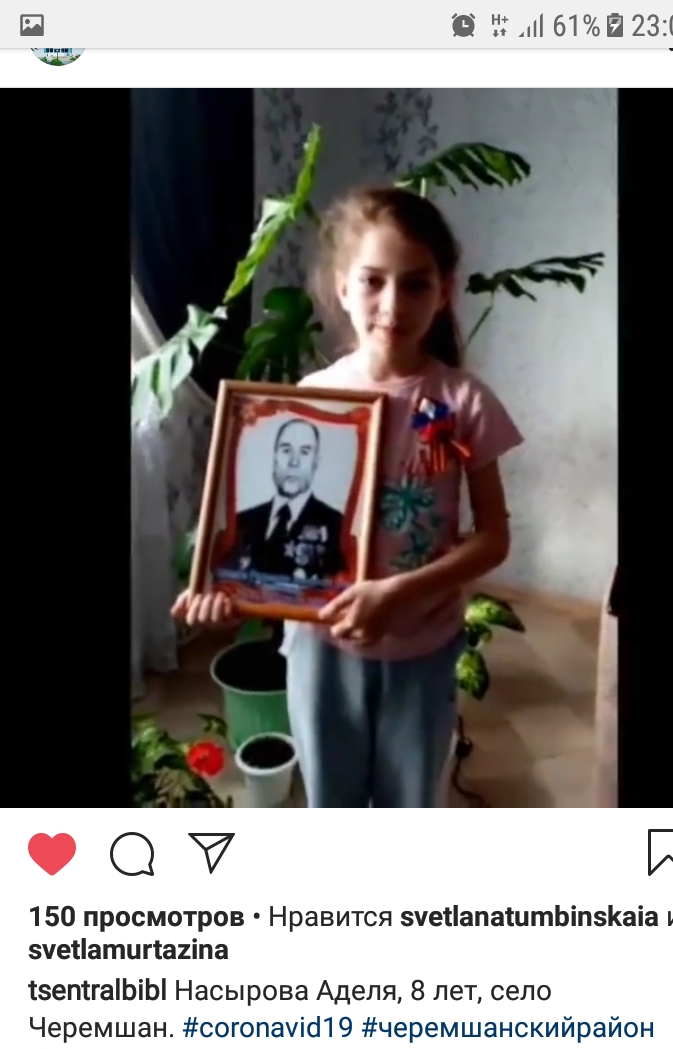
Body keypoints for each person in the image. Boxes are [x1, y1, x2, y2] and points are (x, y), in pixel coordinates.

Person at [173, 185, 523, 806]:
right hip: (320, 649)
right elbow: (271, 546)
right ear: (341, 288)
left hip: (422, 647)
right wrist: (230, 594)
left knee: (407, 804)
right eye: (372, 281)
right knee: (330, 805)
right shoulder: (307, 403)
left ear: (444, 291)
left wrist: (396, 593)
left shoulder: (463, 403)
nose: (392, 304)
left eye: (415, 284)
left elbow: (493, 539)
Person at [219, 417, 346, 581]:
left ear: (316, 462)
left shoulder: (337, 527)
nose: (294, 462)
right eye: (286, 450)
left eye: (304, 452)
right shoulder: (242, 522)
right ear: (275, 456)